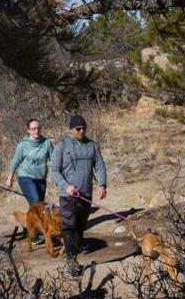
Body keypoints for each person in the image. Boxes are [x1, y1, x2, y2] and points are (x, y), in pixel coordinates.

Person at [50, 113, 108, 276]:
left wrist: (102, 184)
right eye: (78, 129)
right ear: (71, 129)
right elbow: (54, 170)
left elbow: (100, 165)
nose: (82, 131)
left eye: (84, 128)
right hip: (68, 195)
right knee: (70, 226)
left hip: (86, 194)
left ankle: (75, 248)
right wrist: (65, 185)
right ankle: (71, 260)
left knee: (81, 225)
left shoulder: (92, 145)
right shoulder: (61, 146)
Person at [6, 118, 53, 207]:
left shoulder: (47, 143)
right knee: (36, 202)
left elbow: (55, 159)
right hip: (26, 178)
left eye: (38, 128)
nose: (36, 131)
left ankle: (33, 220)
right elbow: (15, 162)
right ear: (28, 130)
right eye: (33, 129)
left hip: (41, 179)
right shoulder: (23, 145)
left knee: (39, 205)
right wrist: (10, 179)